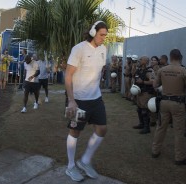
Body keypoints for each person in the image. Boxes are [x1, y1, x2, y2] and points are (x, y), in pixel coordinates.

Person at [64, 21, 108, 182]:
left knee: (102, 129)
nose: (104, 38)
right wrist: (71, 101)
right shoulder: (79, 49)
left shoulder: (103, 49)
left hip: (95, 98)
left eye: (105, 35)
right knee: (75, 132)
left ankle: (85, 161)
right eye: (101, 34)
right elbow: (68, 75)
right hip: (79, 100)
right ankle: (70, 167)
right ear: (92, 32)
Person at [152, 49, 186, 165]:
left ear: (170, 57)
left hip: (164, 102)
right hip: (177, 103)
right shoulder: (184, 71)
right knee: (179, 131)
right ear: (180, 57)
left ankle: (155, 151)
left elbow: (155, 85)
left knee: (160, 127)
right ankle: (179, 157)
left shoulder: (162, 70)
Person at [132, 56, 155, 134]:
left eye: (141, 59)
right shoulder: (139, 70)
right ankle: (141, 124)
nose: (139, 60)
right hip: (139, 92)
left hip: (146, 93)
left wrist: (143, 82)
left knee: (144, 110)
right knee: (139, 109)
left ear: (145, 61)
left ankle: (146, 127)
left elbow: (153, 82)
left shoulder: (149, 71)